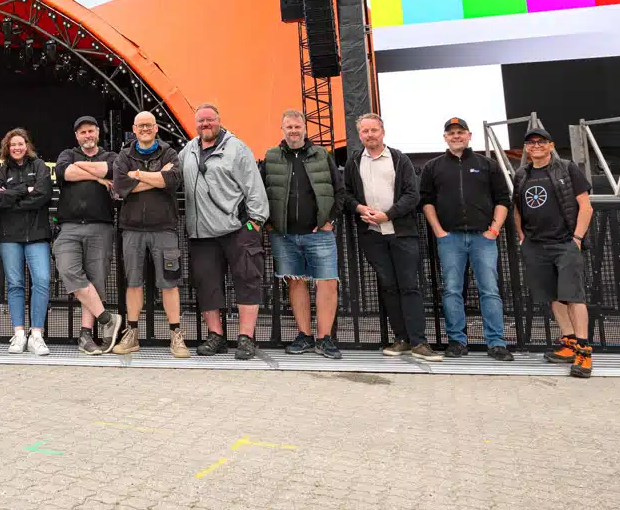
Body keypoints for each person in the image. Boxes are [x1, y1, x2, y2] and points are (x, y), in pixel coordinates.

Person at [345, 113, 438, 361]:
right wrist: (359, 208)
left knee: (410, 287)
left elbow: (412, 195)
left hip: (402, 233)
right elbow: (346, 194)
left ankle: (419, 342)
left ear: (382, 132)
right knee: (388, 288)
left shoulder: (399, 159)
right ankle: (401, 340)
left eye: (373, 130)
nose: (369, 135)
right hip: (372, 236)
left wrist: (388, 215)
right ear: (360, 135)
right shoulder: (355, 162)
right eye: (364, 131)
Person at [180, 103, 269, 360]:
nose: (205, 124)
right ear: (195, 124)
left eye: (209, 120)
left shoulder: (237, 148)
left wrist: (254, 222)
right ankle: (216, 336)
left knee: (247, 281)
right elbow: (172, 173)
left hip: (237, 229)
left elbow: (254, 186)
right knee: (207, 285)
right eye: (201, 121)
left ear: (219, 120)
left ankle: (246, 338)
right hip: (202, 234)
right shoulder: (189, 149)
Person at [420, 117, 514, 361]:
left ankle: (496, 343)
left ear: (469, 135)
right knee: (452, 290)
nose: (456, 136)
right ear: (445, 137)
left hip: (483, 238)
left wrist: (493, 230)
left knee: (490, 290)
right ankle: (457, 341)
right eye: (451, 133)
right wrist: (439, 231)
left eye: (460, 132)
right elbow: (426, 201)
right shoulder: (434, 167)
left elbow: (503, 199)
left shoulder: (487, 164)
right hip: (450, 239)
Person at [260, 109, 351, 359]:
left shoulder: (322, 154)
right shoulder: (270, 156)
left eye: (297, 127)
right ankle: (304, 336)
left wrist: (329, 220)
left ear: (305, 128)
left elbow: (339, 190)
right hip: (284, 235)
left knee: (328, 283)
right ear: (282, 129)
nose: (293, 131)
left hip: (319, 234)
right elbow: (260, 193)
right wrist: (269, 223)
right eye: (288, 127)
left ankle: (325, 338)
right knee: (295, 282)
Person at [512, 125, 595, 378]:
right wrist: (522, 235)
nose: (535, 145)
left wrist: (577, 238)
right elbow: (517, 208)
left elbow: (586, 206)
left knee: (574, 296)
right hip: (536, 244)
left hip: (565, 242)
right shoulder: (522, 175)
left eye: (541, 142)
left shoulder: (568, 169)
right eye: (531, 143)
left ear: (551, 145)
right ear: (526, 148)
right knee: (554, 296)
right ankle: (568, 343)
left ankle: (584, 351)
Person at [111, 111, 190, 358]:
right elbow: (121, 186)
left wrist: (137, 176)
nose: (145, 129)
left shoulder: (169, 153)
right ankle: (132, 334)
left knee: (170, 283)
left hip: (164, 227)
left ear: (156, 128)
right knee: (133, 283)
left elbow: (173, 180)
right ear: (134, 129)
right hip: (132, 228)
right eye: (141, 125)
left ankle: (176, 336)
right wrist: (158, 177)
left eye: (149, 125)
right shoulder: (124, 155)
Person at [53, 115, 125, 355]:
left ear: (97, 133)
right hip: (69, 227)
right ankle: (107, 319)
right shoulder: (67, 154)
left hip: (100, 226)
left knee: (96, 281)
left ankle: (86, 335)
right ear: (77, 136)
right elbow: (65, 173)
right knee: (68, 270)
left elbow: (111, 170)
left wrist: (93, 170)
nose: (87, 135)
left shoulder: (112, 156)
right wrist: (97, 177)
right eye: (82, 132)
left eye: (91, 131)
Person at [0, 128, 54, 356]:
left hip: (37, 234)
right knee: (15, 284)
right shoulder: (2, 170)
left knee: (42, 280)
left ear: (27, 146)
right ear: (7, 148)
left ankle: (36, 334)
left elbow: (43, 194)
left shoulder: (39, 166)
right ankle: (19, 333)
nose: (17, 148)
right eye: (13, 145)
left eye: (21, 144)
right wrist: (24, 191)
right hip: (9, 236)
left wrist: (13, 198)